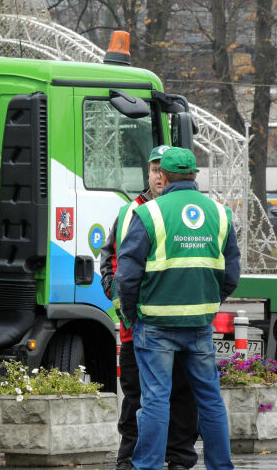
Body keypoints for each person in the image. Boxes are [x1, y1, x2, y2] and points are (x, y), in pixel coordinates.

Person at [115, 147, 241, 470]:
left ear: (165, 177)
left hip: (155, 326)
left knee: (155, 400)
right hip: (199, 326)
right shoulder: (221, 214)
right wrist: (209, 306)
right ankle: (221, 466)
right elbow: (231, 276)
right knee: (210, 400)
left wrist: (132, 314)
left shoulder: (149, 214)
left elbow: (126, 277)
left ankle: (148, 466)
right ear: (195, 176)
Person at [99, 145, 198, 470]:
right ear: (149, 174)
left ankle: (179, 460)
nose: (159, 176)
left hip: (180, 325)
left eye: (163, 170)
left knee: (181, 400)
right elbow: (110, 261)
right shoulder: (130, 212)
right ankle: (128, 461)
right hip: (135, 330)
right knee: (137, 401)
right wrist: (122, 305)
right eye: (154, 169)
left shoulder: (188, 211)